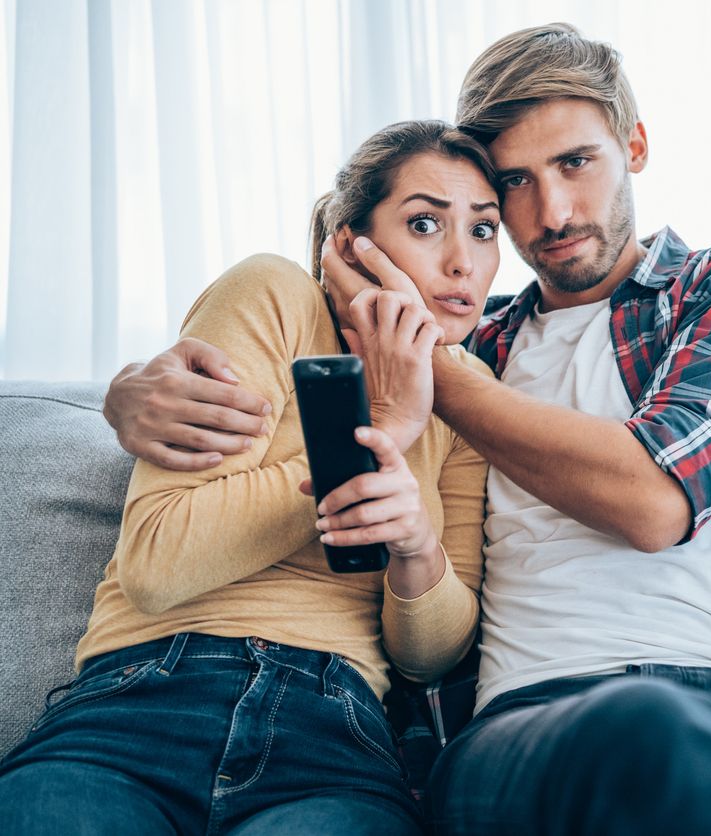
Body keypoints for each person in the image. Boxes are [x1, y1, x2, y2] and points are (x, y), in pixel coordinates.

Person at [102, 24, 711, 836]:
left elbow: (657, 501)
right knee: (649, 742)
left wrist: (432, 369)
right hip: (531, 719)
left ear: (633, 143)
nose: (551, 212)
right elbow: (305, 340)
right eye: (516, 183)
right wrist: (127, 392)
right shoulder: (476, 340)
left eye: (575, 163)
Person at [0, 120, 502, 834]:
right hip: (144, 697)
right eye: (425, 223)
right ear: (349, 242)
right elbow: (158, 563)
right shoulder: (273, 296)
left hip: (333, 730)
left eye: (484, 231)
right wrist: (381, 431)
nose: (464, 263)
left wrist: (417, 548)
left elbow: (429, 658)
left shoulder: (468, 389)